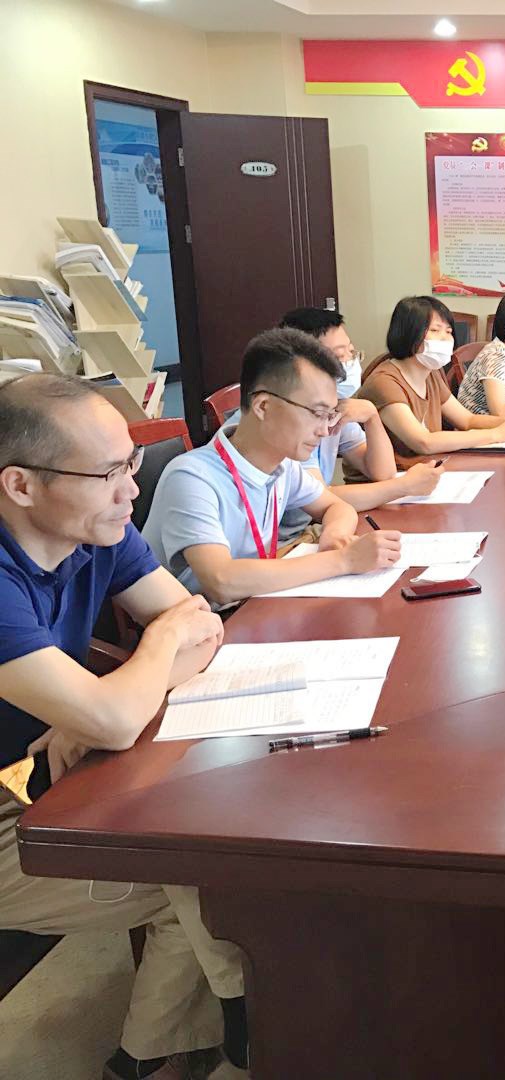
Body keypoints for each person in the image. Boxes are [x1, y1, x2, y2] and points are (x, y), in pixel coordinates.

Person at [0, 374, 250, 1080]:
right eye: (108, 472)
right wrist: (130, 681)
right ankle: (243, 1018)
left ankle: (151, 1056)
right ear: (21, 485)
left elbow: (205, 631)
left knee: (206, 841)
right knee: (205, 875)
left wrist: (105, 704)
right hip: (12, 811)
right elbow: (165, 647)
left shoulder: (95, 533)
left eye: (131, 463)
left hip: (42, 783)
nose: (131, 491)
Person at [143, 329, 403, 607]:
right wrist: (343, 560)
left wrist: (335, 535)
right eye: (317, 414)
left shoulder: (283, 466)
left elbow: (337, 506)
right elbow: (222, 581)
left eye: (329, 415)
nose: (325, 430)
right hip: (206, 622)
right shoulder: (192, 477)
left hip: (254, 607)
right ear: (263, 406)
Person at [275, 307, 441, 539]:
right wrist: (404, 486)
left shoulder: (336, 406)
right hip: (283, 541)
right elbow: (321, 497)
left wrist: (372, 417)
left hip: (307, 531)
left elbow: (383, 473)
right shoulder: (288, 416)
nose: (350, 363)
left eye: (351, 353)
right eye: (339, 355)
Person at [357, 295, 505, 463]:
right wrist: (497, 434)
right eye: (435, 330)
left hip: (428, 467)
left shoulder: (430, 372)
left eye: (448, 331)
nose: (445, 338)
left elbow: (467, 420)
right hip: (395, 477)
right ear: (408, 333)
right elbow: (423, 442)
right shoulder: (384, 382)